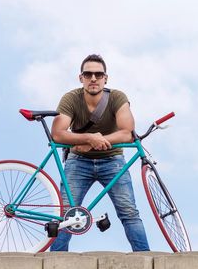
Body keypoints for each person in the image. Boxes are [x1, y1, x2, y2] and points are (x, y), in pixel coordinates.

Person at [49, 54, 150, 252]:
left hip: (112, 160)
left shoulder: (117, 98)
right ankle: (55, 260)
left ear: (106, 78)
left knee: (129, 211)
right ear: (81, 78)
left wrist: (94, 142)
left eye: (98, 74)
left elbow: (127, 133)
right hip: (78, 161)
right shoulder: (71, 99)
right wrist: (89, 138)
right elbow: (58, 135)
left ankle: (145, 257)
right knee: (66, 214)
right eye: (88, 74)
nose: (93, 78)